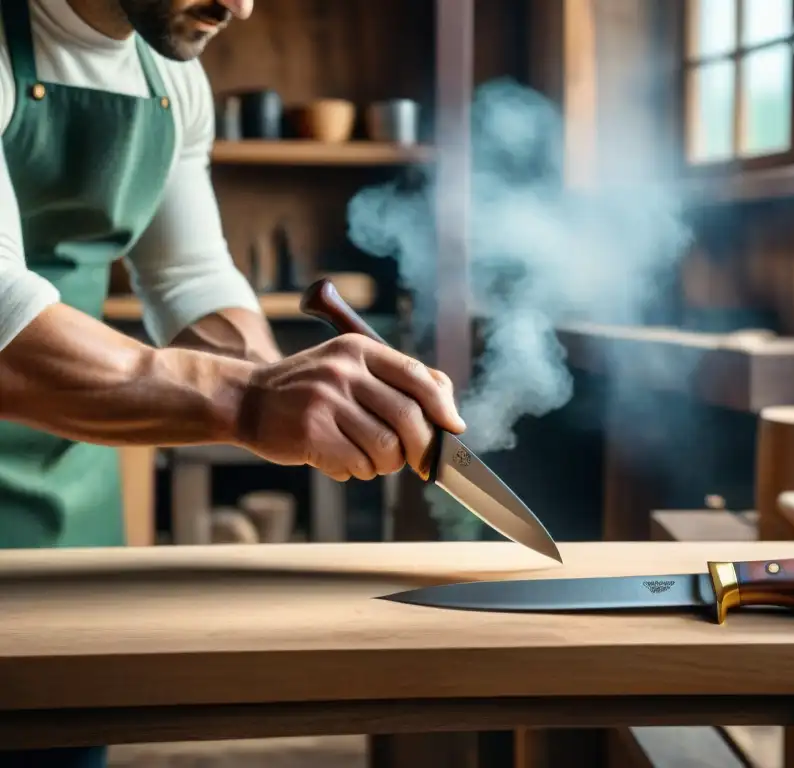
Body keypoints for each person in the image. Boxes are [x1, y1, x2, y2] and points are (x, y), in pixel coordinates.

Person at [0, 1, 465, 763]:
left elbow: (190, 276)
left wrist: (293, 381)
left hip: (71, 514)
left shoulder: (172, 76)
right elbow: (5, 333)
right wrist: (249, 401)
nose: (240, 5)